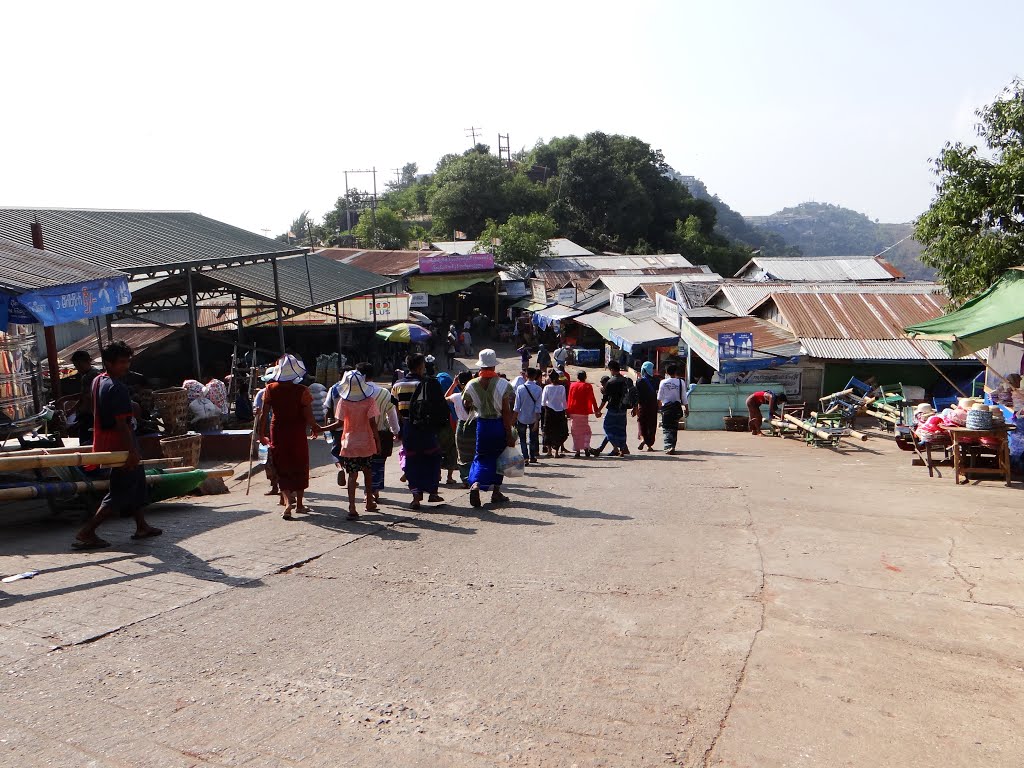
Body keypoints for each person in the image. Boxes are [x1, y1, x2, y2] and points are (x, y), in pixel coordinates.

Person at [73, 340, 162, 549]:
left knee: (137, 483)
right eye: (121, 362)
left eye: (127, 361)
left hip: (116, 442)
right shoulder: (116, 387)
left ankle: (141, 526)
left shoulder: (98, 380)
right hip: (121, 445)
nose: (126, 366)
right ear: (108, 363)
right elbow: (121, 424)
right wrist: (130, 451)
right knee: (120, 492)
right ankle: (87, 532)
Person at [258, 355, 321, 519]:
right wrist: (315, 428)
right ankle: (299, 504)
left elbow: (263, 415)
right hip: (297, 432)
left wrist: (261, 434)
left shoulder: (270, 389)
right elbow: (309, 416)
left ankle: (287, 504)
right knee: (300, 464)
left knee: (282, 465)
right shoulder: (302, 391)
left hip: (277, 430)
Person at [321, 369, 381, 520]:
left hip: (349, 443)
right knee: (368, 472)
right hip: (366, 442)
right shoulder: (369, 401)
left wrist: (321, 428)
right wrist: (378, 442)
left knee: (352, 476)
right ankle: (368, 502)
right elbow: (373, 424)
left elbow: (338, 423)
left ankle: (352, 507)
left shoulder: (344, 401)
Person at [461, 349, 516, 507]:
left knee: (481, 457)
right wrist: (509, 433)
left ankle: (476, 484)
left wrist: (476, 409)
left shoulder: (471, 385)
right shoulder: (503, 384)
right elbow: (506, 411)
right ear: (493, 366)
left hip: (482, 425)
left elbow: (466, 404)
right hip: (498, 425)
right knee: (500, 458)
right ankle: (496, 492)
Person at [392, 353, 447, 509]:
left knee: (412, 460)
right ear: (420, 366)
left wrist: (400, 428)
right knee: (433, 458)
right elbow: (439, 406)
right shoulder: (427, 383)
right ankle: (432, 491)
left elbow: (395, 409)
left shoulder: (397, 385)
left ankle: (416, 496)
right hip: (426, 427)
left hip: (408, 428)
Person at [357, 362, 400, 503]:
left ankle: (368, 491)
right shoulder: (383, 392)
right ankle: (374, 490)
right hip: (381, 433)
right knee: (378, 463)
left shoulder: (356, 392)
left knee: (364, 464)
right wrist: (396, 431)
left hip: (361, 434)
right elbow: (391, 414)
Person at [446, 371, 476, 486]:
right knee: (474, 452)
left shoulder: (456, 396)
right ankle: (475, 478)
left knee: (462, 455)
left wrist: (453, 385)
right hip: (474, 425)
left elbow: (445, 397)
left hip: (461, 427)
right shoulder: (476, 395)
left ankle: (465, 479)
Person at [599, 360, 634, 457]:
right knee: (621, 429)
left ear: (611, 369)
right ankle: (622, 449)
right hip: (623, 409)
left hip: (613, 409)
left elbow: (605, 398)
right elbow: (632, 394)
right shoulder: (625, 380)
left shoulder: (611, 381)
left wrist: (599, 409)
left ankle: (615, 448)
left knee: (608, 428)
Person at [69, 350, 101, 446]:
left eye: (79, 365)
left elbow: (87, 397)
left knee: (87, 443)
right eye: (76, 365)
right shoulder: (85, 376)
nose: (77, 368)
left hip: (90, 416)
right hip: (86, 415)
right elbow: (83, 395)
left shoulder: (93, 375)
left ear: (88, 361)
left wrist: (73, 410)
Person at [567, 370, 601, 458]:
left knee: (575, 432)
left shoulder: (572, 385)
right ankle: (586, 448)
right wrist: (596, 410)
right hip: (584, 411)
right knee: (586, 431)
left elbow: (569, 398)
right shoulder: (588, 386)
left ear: (577, 377)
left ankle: (577, 451)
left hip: (574, 411)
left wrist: (567, 411)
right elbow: (592, 398)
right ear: (585, 377)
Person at [513, 367, 543, 464]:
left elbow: (517, 406)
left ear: (526, 375)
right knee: (533, 438)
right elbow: (538, 407)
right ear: (535, 376)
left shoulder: (520, 388)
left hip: (521, 417)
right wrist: (537, 420)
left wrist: (513, 419)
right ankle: (532, 456)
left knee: (522, 438)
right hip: (533, 417)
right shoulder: (538, 389)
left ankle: (525, 457)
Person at [434, 368, 459, 485]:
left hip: (437, 427)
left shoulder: (434, 394)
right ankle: (449, 477)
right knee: (451, 451)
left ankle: (438, 474)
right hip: (451, 427)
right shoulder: (454, 393)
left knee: (437, 451)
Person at [657, 363, 688, 455]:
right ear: (676, 372)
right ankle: (672, 446)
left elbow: (659, 398)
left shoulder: (663, 382)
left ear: (666, 372)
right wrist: (687, 408)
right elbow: (684, 397)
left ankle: (668, 446)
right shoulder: (680, 382)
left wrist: (659, 409)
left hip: (666, 409)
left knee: (666, 428)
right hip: (676, 409)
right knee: (674, 428)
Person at [541, 369, 569, 458]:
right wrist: (565, 410)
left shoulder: (547, 387)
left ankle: (549, 451)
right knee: (559, 430)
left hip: (549, 411)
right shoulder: (561, 387)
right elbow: (563, 401)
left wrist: (547, 406)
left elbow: (543, 401)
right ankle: (556, 452)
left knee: (548, 430)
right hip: (559, 412)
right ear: (558, 378)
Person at [636, 361, 661, 452]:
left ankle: (643, 439)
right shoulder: (656, 380)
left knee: (642, 423)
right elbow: (659, 393)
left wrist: (636, 407)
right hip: (653, 405)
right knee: (652, 424)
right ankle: (649, 445)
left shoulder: (639, 381)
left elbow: (637, 395)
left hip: (642, 405)